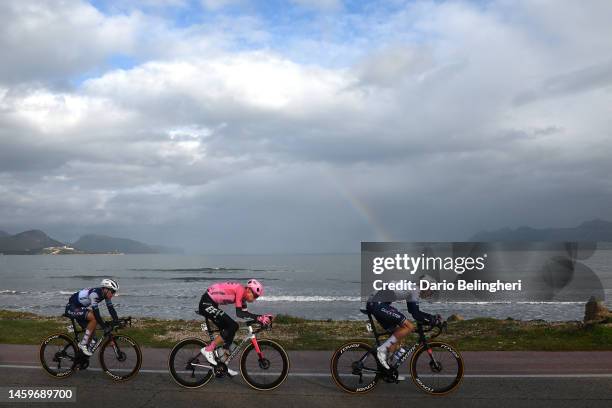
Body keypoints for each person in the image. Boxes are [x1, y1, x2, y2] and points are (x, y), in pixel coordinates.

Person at [366, 275, 442, 370]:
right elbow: (415, 314)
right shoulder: (415, 289)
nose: (431, 293)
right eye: (431, 290)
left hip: (376, 304)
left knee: (398, 335)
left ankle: (388, 370)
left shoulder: (412, 288)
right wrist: (432, 320)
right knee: (409, 326)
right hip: (377, 304)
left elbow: (412, 311)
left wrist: (431, 318)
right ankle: (382, 350)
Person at [199, 279, 272, 374]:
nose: (254, 299)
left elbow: (245, 314)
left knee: (231, 329)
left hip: (212, 304)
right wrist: (259, 318)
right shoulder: (240, 290)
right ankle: (208, 349)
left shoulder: (243, 300)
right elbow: (239, 313)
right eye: (255, 296)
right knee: (233, 326)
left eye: (256, 297)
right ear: (249, 290)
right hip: (206, 303)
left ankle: (222, 364)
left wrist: (259, 319)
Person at [65, 278, 120, 357]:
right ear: (105, 289)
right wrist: (105, 327)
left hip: (79, 308)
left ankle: (82, 358)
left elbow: (111, 308)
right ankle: (83, 344)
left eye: (114, 292)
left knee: (94, 337)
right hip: (71, 308)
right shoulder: (95, 294)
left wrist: (116, 320)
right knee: (94, 317)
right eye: (113, 291)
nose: (113, 294)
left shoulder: (105, 295)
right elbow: (96, 314)